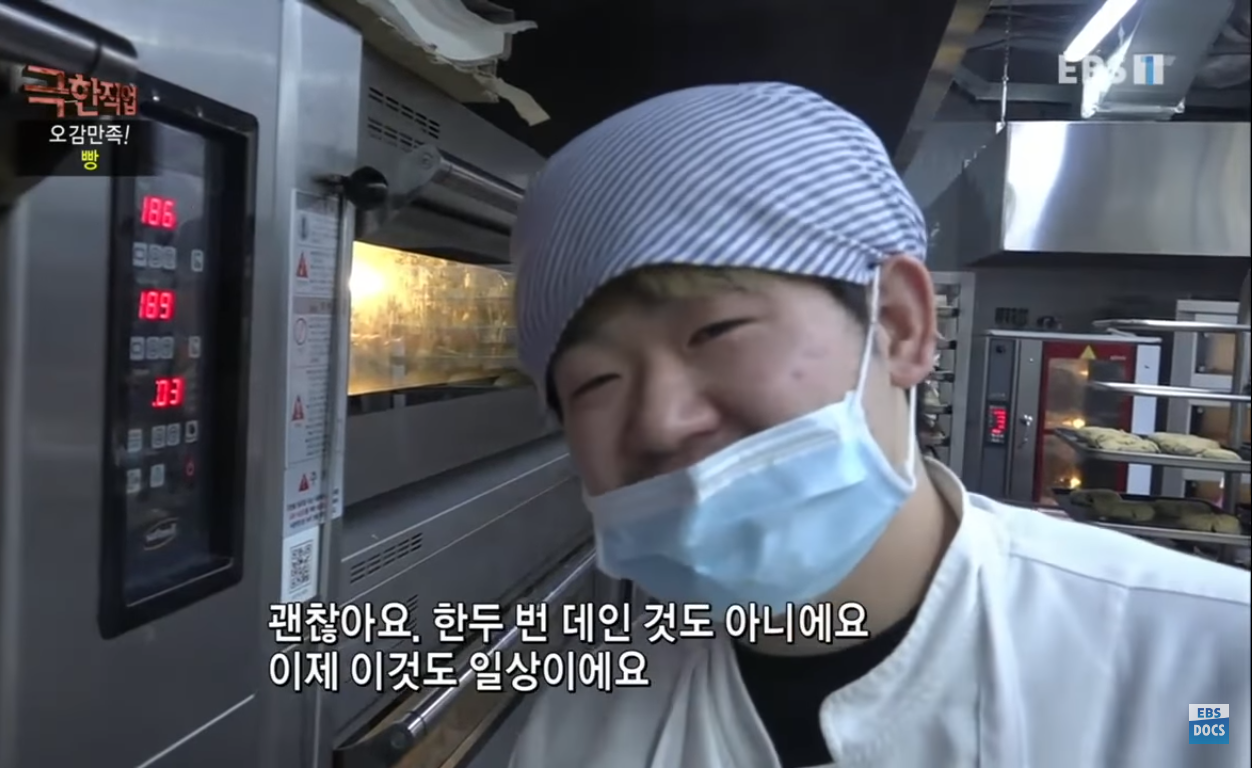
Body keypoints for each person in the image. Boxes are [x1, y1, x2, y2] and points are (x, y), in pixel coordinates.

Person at [504, 83, 1251, 768]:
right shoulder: (585, 718)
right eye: (595, 381)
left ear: (899, 324)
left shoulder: (1206, 671)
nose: (662, 420)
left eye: (716, 332)